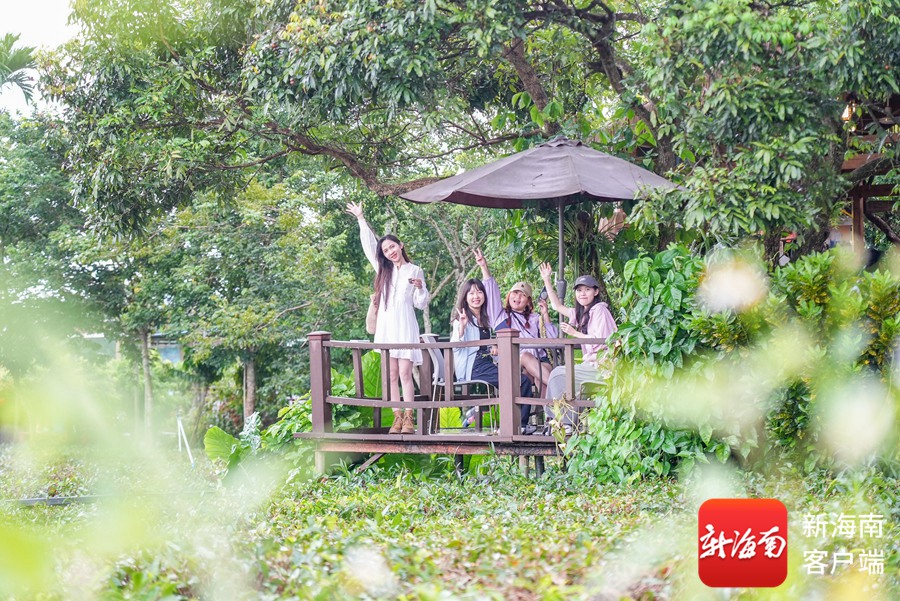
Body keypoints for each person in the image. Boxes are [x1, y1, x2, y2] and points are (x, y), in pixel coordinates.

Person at [346, 202, 430, 434]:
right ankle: (397, 418)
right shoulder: (384, 270)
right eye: (386, 250)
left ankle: (409, 418)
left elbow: (420, 303)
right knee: (391, 375)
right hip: (387, 328)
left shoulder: (415, 270)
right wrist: (361, 219)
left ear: (401, 245)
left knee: (405, 373)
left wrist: (421, 288)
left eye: (392, 246)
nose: (390, 251)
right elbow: (368, 246)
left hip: (405, 327)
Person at [469, 250, 556, 426]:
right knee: (525, 360)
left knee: (539, 379)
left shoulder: (535, 318)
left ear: (528, 301)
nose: (518, 297)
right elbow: (491, 292)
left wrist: (545, 315)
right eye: (515, 293)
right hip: (514, 363)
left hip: (539, 361)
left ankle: (552, 421)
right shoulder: (500, 315)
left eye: (523, 295)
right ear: (509, 296)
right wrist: (484, 267)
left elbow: (553, 339)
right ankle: (561, 395)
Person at [538, 262, 617, 434]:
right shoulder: (582, 312)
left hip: (603, 366)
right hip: (591, 364)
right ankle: (558, 420)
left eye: (587, 289)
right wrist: (547, 280)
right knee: (558, 375)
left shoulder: (600, 310)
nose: (583, 293)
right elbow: (557, 307)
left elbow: (602, 340)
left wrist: (574, 333)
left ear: (596, 292)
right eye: (579, 290)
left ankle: (564, 422)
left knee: (559, 374)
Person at [450, 277, 532, 428]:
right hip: (473, 368)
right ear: (465, 297)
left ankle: (516, 424)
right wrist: (461, 327)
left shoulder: (485, 318)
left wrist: (493, 346)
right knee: (517, 381)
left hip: (487, 364)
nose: (476, 296)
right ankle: (517, 425)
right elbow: (455, 346)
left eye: (479, 292)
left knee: (522, 380)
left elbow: (483, 345)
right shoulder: (461, 319)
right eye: (471, 293)